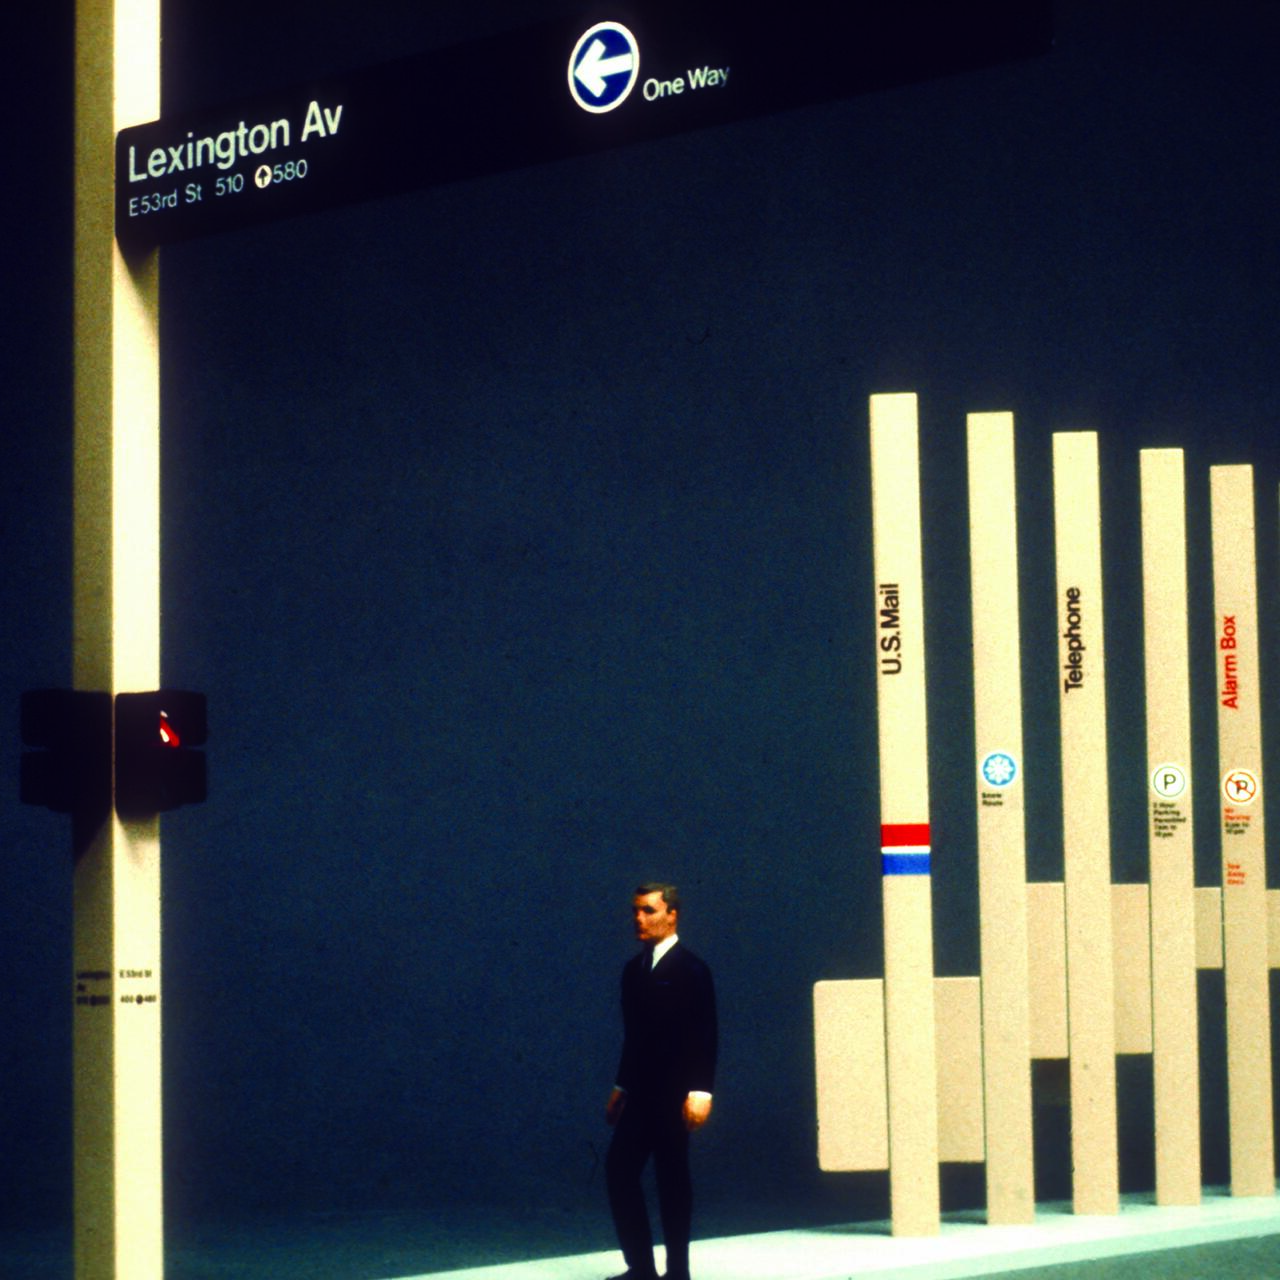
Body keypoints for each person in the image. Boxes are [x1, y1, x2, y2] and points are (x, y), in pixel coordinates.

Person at [605, 882, 717, 1280]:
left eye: (649, 910)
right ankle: (641, 1268)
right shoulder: (633, 971)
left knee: (672, 1179)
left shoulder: (692, 969)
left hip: (676, 1093)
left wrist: (701, 1090)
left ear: (672, 915)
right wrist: (621, 1087)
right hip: (640, 1093)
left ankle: (678, 1272)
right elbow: (633, 1037)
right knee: (619, 1172)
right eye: (635, 910)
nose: (639, 918)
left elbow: (705, 1033)